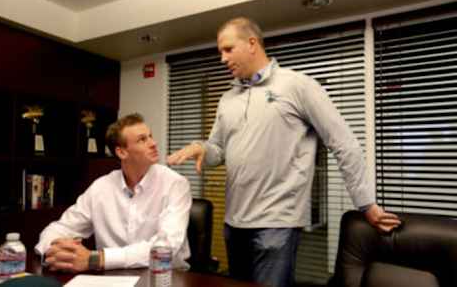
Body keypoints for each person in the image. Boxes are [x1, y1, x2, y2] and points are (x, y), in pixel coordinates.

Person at [167, 17, 401, 287]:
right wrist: (201, 148)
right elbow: (218, 151)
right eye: (220, 51)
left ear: (252, 43)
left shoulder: (297, 86)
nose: (222, 58)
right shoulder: (227, 98)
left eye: (228, 49)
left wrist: (366, 203)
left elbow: (343, 142)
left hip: (277, 223)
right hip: (234, 223)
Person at [35, 113, 192, 272]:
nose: (153, 143)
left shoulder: (175, 184)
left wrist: (97, 259)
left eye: (150, 136)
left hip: (164, 276)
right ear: (122, 152)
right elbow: (60, 228)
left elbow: (165, 247)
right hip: (111, 279)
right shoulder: (101, 188)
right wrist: (55, 252)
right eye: (142, 139)